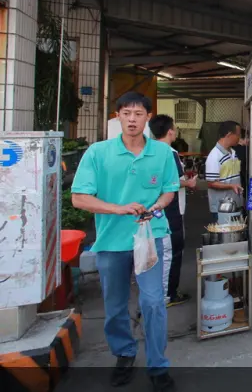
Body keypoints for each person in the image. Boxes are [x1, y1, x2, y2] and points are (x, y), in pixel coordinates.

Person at [71, 92, 179, 392]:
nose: (132, 119)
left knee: (154, 302)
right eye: (126, 113)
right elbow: (79, 198)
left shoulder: (162, 154)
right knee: (115, 305)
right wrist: (118, 208)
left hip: (150, 237)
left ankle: (158, 365)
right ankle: (125, 354)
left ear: (147, 117)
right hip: (111, 241)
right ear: (117, 116)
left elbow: (169, 191)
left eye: (138, 114)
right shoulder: (97, 152)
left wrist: (157, 205)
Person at [150, 114, 198, 307]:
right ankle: (167, 295)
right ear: (170, 131)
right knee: (172, 252)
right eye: (175, 128)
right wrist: (190, 183)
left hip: (158, 209)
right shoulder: (169, 152)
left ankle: (163, 293)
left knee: (163, 251)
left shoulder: (149, 150)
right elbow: (174, 182)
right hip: (170, 210)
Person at [206, 121, 243, 223]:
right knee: (224, 236)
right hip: (221, 207)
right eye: (238, 135)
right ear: (229, 135)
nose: (239, 138)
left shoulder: (233, 152)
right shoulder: (214, 156)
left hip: (235, 203)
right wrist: (231, 186)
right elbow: (211, 183)